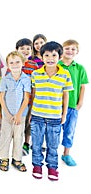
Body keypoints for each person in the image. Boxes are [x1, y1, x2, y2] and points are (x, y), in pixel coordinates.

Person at [30, 41, 73, 181]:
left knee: (53, 145)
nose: (50, 58)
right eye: (47, 55)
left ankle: (52, 167)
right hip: (37, 115)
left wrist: (64, 114)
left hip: (55, 116)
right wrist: (31, 113)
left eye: (54, 55)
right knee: (36, 143)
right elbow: (34, 94)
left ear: (59, 57)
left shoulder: (65, 74)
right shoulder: (36, 74)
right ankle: (37, 165)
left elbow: (65, 96)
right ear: (42, 57)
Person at [0, 51, 31, 172]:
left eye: (17, 62)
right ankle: (4, 158)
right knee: (5, 135)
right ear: (7, 65)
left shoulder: (26, 79)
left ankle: (17, 159)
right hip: (7, 114)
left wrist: (18, 115)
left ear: (23, 63)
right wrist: (6, 113)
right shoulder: (5, 79)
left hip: (20, 115)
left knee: (18, 136)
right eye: (11, 62)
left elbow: (26, 98)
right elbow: (1, 97)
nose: (15, 64)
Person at [58, 39, 89, 166]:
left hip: (72, 106)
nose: (70, 51)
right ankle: (51, 152)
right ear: (62, 50)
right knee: (53, 131)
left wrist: (80, 102)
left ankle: (66, 154)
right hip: (56, 105)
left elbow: (82, 86)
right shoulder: (56, 65)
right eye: (67, 48)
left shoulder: (80, 68)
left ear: (77, 52)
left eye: (73, 49)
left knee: (69, 130)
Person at [13, 38, 39, 156]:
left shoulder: (34, 65)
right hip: (16, 100)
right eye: (22, 48)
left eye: (28, 48)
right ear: (17, 50)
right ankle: (16, 144)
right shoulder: (14, 63)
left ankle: (26, 144)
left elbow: (36, 83)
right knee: (17, 122)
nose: (25, 51)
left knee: (29, 122)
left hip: (29, 99)